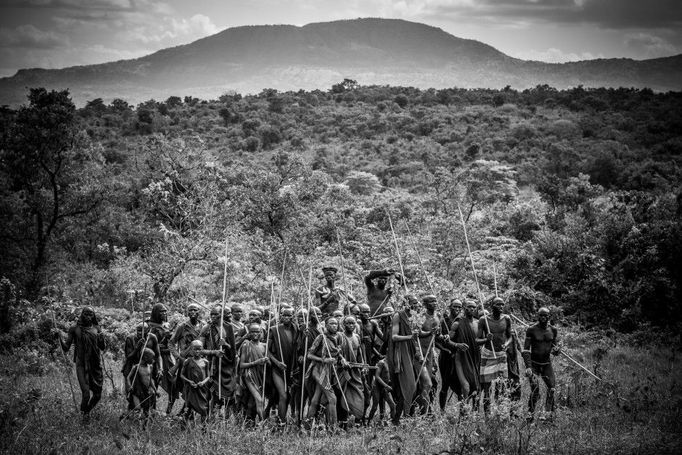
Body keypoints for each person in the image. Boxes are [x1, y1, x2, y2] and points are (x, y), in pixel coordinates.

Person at [54, 306, 106, 421]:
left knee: (97, 395)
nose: (88, 317)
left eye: (91, 314)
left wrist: (102, 340)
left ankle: (86, 411)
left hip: (95, 365)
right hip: (81, 364)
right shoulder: (75, 329)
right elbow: (66, 348)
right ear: (82, 314)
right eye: (86, 314)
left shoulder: (97, 328)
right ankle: (84, 419)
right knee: (86, 394)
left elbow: (102, 347)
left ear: (94, 316)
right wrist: (60, 339)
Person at [386, 295, 426, 425]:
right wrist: (410, 336)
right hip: (402, 354)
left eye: (418, 302)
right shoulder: (398, 316)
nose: (417, 305)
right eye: (414, 302)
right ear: (407, 304)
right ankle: (398, 419)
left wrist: (431, 332)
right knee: (408, 386)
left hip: (413, 353)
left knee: (419, 386)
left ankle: (409, 415)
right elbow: (394, 337)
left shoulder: (415, 317)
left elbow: (418, 337)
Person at [523, 307, 560, 421]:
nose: (543, 318)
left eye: (545, 315)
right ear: (537, 316)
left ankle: (547, 415)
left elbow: (555, 348)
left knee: (552, 388)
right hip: (534, 364)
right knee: (535, 391)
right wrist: (528, 367)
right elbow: (525, 350)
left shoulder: (553, 330)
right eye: (541, 315)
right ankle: (530, 416)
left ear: (549, 317)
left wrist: (557, 350)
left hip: (546, 364)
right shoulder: (531, 329)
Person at [306, 317, 344, 428]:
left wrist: (342, 359)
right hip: (319, 370)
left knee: (316, 399)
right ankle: (333, 428)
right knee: (332, 398)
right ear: (326, 325)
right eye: (331, 324)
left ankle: (307, 425)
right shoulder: (321, 337)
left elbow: (337, 353)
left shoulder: (338, 337)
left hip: (331, 370)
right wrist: (324, 360)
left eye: (336, 324)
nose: (334, 326)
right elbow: (309, 355)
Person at [478, 297, 511, 414]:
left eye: (502, 305)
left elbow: (510, 336)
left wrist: (506, 344)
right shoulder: (483, 320)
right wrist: (486, 339)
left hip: (501, 354)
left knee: (500, 386)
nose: (501, 307)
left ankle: (499, 413)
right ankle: (487, 415)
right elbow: (477, 340)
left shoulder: (506, 319)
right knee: (487, 388)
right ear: (492, 306)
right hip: (487, 354)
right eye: (498, 305)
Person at [199, 305, 236, 413]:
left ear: (222, 315)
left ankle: (225, 420)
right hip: (212, 365)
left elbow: (233, 350)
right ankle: (210, 419)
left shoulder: (228, 327)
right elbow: (199, 350)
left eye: (216, 314)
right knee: (212, 395)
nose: (213, 316)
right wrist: (213, 352)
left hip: (226, 366)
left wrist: (225, 345)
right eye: (212, 314)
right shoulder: (207, 328)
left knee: (228, 396)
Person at [447, 299, 482, 409]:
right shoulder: (457, 323)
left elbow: (480, 340)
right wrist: (458, 345)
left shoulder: (478, 323)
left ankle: (474, 415)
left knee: (476, 388)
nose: (471, 309)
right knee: (466, 387)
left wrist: (487, 340)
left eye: (474, 307)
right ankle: (463, 414)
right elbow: (448, 340)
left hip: (475, 357)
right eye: (469, 306)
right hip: (461, 358)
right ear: (464, 308)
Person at [168, 303, 203, 415]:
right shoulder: (182, 327)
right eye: (190, 310)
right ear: (187, 313)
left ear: (199, 312)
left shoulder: (204, 326)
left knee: (194, 388)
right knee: (177, 387)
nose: (192, 312)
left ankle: (185, 413)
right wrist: (177, 357)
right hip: (184, 362)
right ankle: (169, 411)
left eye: (195, 310)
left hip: (197, 362)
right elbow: (171, 343)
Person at [267, 306, 299, 423]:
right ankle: (281, 422)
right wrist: (277, 363)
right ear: (280, 316)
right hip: (277, 368)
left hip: (291, 368)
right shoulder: (274, 330)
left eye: (289, 315)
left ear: (293, 317)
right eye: (284, 315)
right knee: (283, 395)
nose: (286, 317)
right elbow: (267, 351)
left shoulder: (296, 330)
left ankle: (281, 419)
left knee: (289, 397)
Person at [147, 303, 177, 414]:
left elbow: (171, 344)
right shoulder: (150, 327)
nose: (164, 313)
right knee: (152, 386)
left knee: (173, 384)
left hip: (167, 359)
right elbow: (150, 346)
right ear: (156, 313)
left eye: (165, 311)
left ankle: (168, 412)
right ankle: (151, 411)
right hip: (155, 360)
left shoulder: (166, 325)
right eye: (161, 311)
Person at [237, 323, 269, 421]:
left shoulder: (265, 346)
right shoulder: (246, 345)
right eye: (252, 331)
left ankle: (249, 422)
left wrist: (267, 361)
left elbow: (269, 362)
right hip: (249, 376)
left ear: (261, 332)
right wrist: (257, 362)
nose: (255, 334)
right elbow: (242, 365)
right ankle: (264, 425)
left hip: (261, 376)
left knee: (254, 402)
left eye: (257, 331)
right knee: (259, 400)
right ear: (249, 333)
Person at [337, 315, 365, 425]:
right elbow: (336, 351)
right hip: (342, 371)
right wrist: (342, 360)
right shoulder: (339, 336)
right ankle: (342, 422)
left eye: (353, 323)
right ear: (343, 325)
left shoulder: (357, 337)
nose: (351, 325)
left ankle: (358, 421)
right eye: (348, 323)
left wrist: (362, 366)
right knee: (342, 396)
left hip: (355, 371)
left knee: (360, 395)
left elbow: (359, 353)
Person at [437, 299, 462, 411]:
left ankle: (462, 411)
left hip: (458, 356)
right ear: (450, 307)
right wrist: (445, 347)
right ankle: (442, 411)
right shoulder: (443, 320)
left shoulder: (461, 320)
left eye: (459, 307)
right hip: (445, 356)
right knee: (445, 384)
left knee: (460, 384)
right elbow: (437, 339)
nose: (457, 309)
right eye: (455, 306)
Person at [417, 295, 439, 411]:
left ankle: (427, 411)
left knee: (431, 383)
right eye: (431, 301)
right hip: (419, 352)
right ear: (425, 304)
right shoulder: (421, 317)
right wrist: (430, 332)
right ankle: (421, 413)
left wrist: (442, 336)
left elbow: (437, 336)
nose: (435, 303)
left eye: (435, 300)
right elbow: (417, 333)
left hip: (430, 353)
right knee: (426, 384)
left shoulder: (437, 317)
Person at [180, 340, 211, 422]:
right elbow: (181, 375)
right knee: (188, 409)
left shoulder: (206, 362)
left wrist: (203, 382)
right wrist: (189, 381)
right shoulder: (187, 361)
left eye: (199, 349)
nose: (197, 351)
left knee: (204, 409)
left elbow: (208, 376)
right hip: (191, 390)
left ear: (202, 349)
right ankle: (185, 427)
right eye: (195, 349)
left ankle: (205, 430)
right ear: (191, 349)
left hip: (201, 390)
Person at [126, 347, 158, 420]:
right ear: (145, 357)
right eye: (152, 358)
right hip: (137, 391)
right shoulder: (136, 367)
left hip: (145, 391)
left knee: (146, 410)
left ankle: (144, 427)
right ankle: (127, 417)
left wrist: (155, 389)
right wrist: (129, 386)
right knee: (137, 408)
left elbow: (150, 380)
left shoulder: (150, 367)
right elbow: (128, 378)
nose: (153, 360)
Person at [367, 356, 396, 424]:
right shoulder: (381, 362)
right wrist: (386, 386)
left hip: (384, 388)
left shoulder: (390, 363)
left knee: (392, 405)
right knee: (374, 407)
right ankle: (368, 423)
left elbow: (387, 376)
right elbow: (377, 376)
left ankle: (394, 422)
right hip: (377, 387)